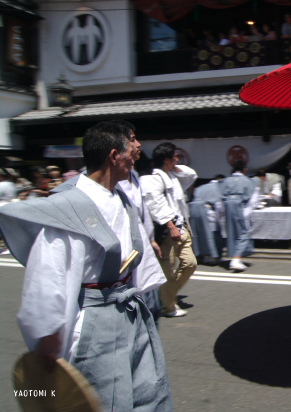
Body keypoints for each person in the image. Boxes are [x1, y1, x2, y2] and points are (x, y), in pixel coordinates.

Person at [0, 121, 172, 411]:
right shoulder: (68, 208)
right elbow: (48, 278)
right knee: (104, 398)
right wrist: (48, 342)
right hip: (95, 323)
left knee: (147, 392)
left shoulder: (123, 198)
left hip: (130, 311)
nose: (138, 151)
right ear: (114, 155)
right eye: (132, 145)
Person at [141, 142, 198, 318]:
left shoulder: (173, 176)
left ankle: (167, 295)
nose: (177, 159)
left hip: (182, 228)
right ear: (166, 159)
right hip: (167, 232)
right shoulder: (152, 179)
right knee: (168, 269)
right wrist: (171, 225)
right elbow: (156, 204)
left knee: (190, 263)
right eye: (174, 156)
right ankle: (168, 306)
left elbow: (192, 175)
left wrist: (174, 167)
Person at [116, 122, 164, 327]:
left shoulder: (134, 176)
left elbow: (141, 211)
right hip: (124, 257)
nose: (139, 144)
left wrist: (151, 238)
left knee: (152, 309)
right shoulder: (105, 181)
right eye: (133, 139)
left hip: (143, 247)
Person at [222, 160, 257, 272]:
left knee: (232, 232)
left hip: (227, 205)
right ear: (245, 170)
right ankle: (236, 259)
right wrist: (247, 213)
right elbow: (253, 200)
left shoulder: (225, 181)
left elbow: (220, 197)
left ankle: (234, 256)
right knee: (244, 233)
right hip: (240, 206)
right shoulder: (248, 181)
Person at [190, 174, 227, 265]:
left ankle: (202, 255)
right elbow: (219, 206)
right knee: (212, 234)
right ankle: (213, 256)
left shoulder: (201, 187)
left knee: (198, 234)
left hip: (193, 210)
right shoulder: (217, 187)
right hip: (207, 211)